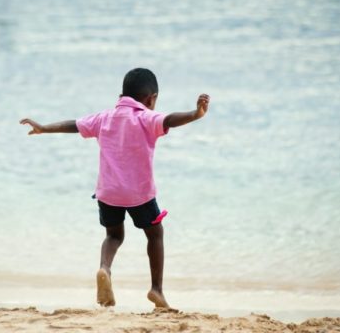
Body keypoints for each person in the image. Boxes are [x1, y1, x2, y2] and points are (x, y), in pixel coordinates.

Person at [20, 68, 210, 309]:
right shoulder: (145, 117)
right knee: (155, 234)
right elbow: (170, 119)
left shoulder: (104, 117)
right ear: (151, 99)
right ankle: (156, 290)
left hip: (108, 194)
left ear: (122, 94)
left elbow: (74, 125)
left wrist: (44, 128)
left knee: (113, 235)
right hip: (139, 195)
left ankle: (104, 268)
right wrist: (195, 114)